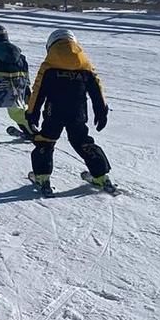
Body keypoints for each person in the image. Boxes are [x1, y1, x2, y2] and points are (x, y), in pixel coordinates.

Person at [25, 29, 113, 196]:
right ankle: (101, 176)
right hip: (77, 113)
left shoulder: (49, 65)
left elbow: (38, 90)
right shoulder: (84, 65)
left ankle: (42, 177)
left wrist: (32, 113)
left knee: (46, 140)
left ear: (51, 45)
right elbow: (97, 89)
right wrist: (101, 111)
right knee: (82, 141)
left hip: (54, 112)